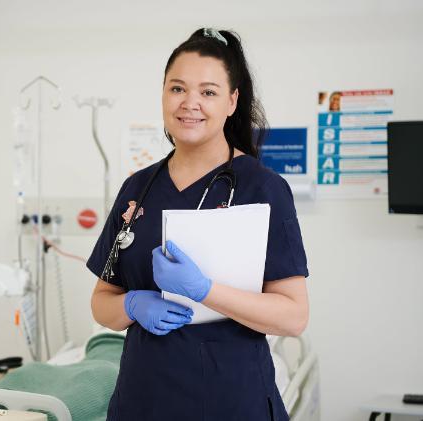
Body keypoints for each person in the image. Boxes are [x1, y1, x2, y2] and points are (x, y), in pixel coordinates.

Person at [87, 28, 309, 420]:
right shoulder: (138, 189)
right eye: (177, 89)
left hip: (230, 399)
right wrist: (132, 304)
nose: (190, 103)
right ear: (163, 94)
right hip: (144, 399)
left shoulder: (263, 188)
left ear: (231, 101)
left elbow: (293, 316)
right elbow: (101, 303)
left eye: (208, 92)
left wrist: (204, 290)